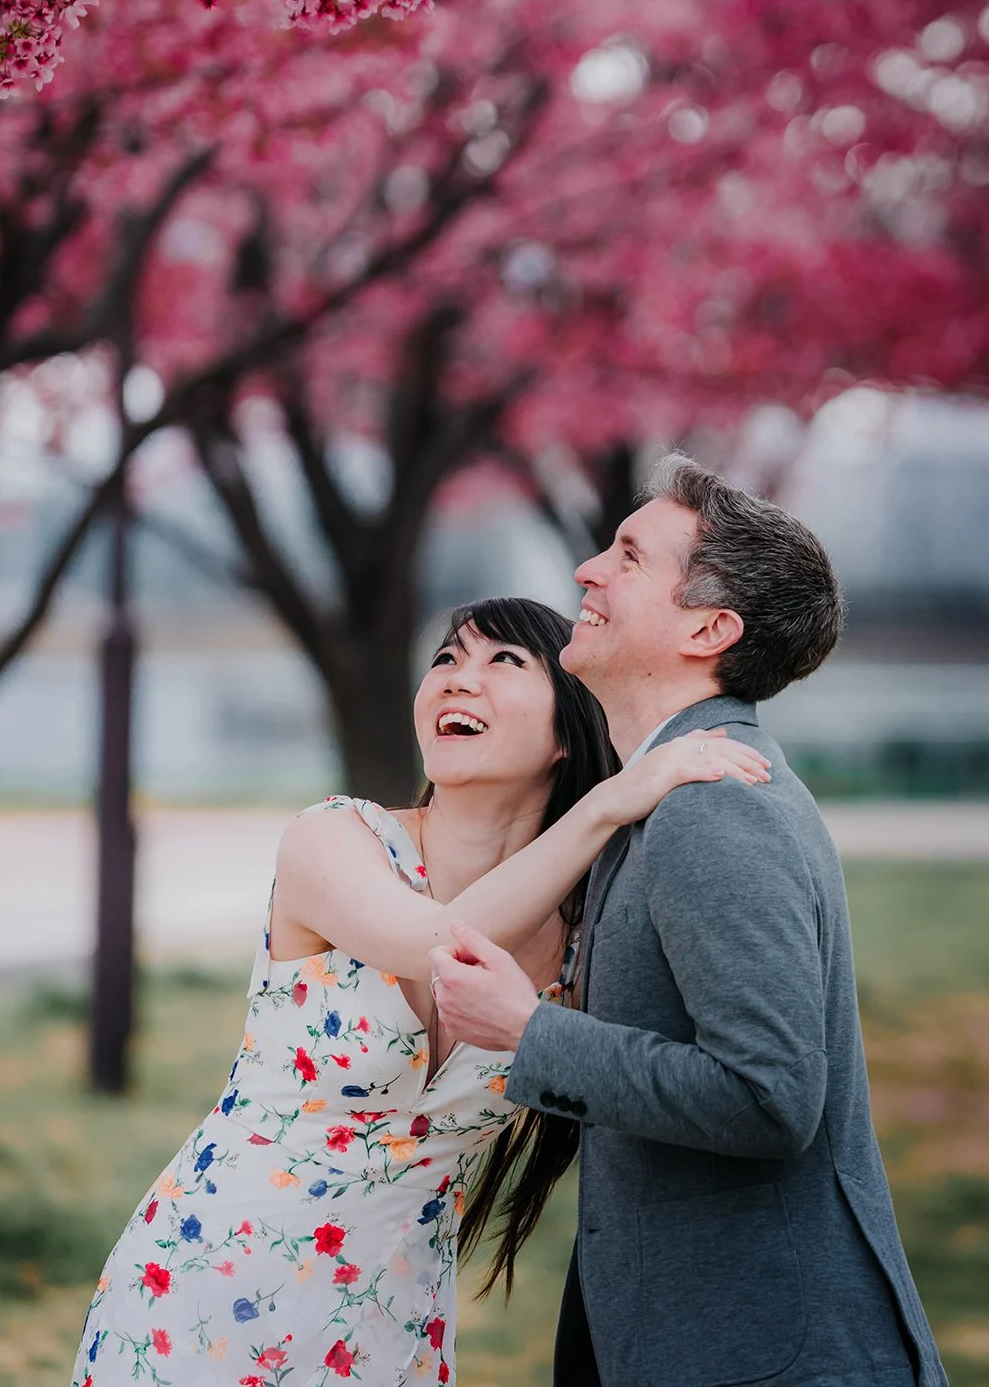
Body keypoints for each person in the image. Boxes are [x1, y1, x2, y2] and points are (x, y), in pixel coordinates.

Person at [70, 594, 769, 1387]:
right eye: (445, 658)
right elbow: (444, 948)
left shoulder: (585, 942)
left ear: (566, 731)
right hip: (199, 1287)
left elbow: (674, 1074)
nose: (455, 679)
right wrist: (612, 803)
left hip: (382, 1330)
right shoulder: (334, 838)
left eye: (502, 660)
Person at [430, 456, 947, 1387]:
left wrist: (527, 1031)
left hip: (769, 1358)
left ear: (709, 628)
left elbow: (769, 1095)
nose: (586, 570)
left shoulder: (717, 805)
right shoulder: (663, 794)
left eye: (627, 556)